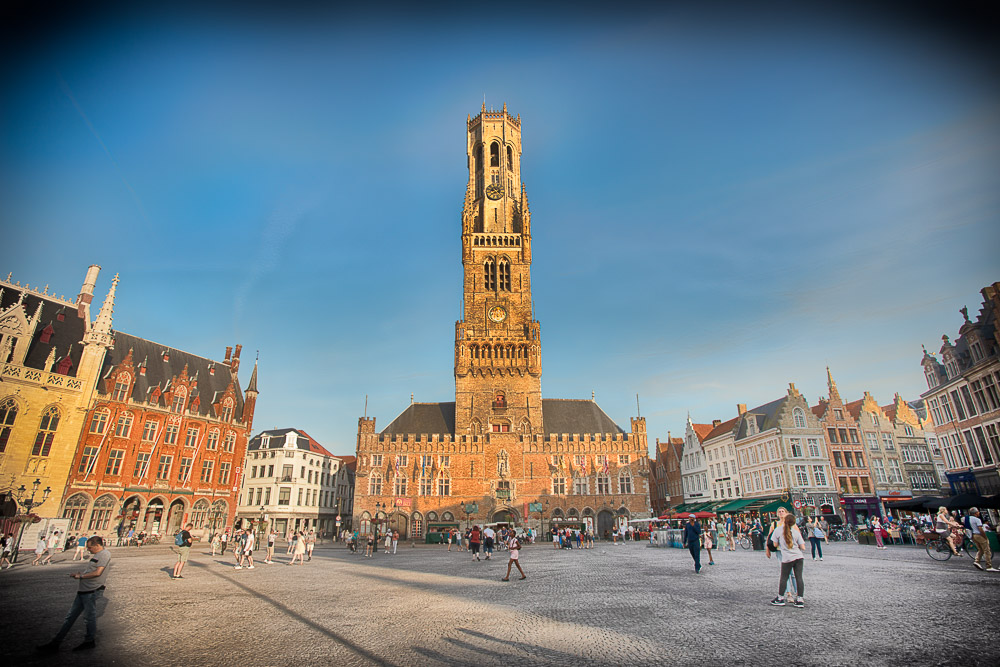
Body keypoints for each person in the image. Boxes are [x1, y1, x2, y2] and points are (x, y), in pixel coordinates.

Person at [36, 536, 111, 652]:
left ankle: (89, 641)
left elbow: (98, 572)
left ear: (97, 545)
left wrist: (81, 576)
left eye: (90, 547)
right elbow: (92, 570)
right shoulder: (96, 555)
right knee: (70, 617)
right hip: (83, 590)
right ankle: (56, 643)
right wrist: (80, 573)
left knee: (89, 617)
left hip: (91, 591)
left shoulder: (104, 554)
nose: (88, 550)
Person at [769, 513, 806, 608]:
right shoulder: (796, 532)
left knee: (784, 577)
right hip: (798, 556)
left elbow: (774, 544)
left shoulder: (778, 530)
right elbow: (803, 547)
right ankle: (800, 599)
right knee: (799, 577)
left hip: (787, 558)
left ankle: (780, 598)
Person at [766, 507, 796, 601]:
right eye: (779, 511)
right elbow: (769, 537)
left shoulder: (791, 523)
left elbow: (797, 535)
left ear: (786, 513)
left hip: (791, 551)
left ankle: (798, 593)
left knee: (794, 573)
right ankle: (789, 593)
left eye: (783, 511)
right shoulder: (774, 524)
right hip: (780, 551)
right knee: (785, 572)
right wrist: (767, 549)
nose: (781, 513)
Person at [966, 507, 996, 572]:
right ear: (975, 513)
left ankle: (977, 561)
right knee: (987, 550)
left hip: (973, 535)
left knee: (980, 549)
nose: (979, 512)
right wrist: (985, 537)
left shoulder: (968, 519)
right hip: (979, 535)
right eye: (978, 512)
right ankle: (989, 566)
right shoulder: (977, 519)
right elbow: (980, 529)